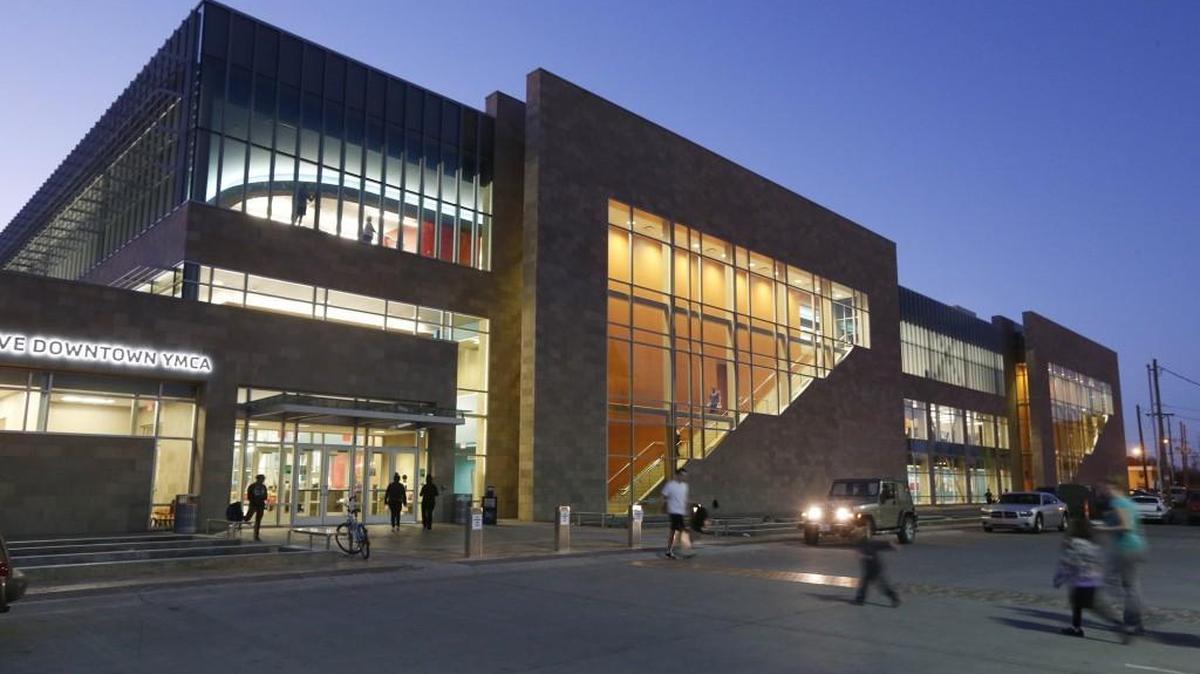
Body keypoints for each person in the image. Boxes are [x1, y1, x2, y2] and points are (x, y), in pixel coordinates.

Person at [1097, 478, 1148, 637]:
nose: (1103, 491)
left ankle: (1132, 623)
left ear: (1114, 488)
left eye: (1105, 488)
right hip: (1134, 547)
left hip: (1127, 548)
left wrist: (1104, 529)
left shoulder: (1118, 503)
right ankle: (1134, 622)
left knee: (1125, 586)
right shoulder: (1127, 502)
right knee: (1131, 586)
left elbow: (1127, 526)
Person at [1053, 518, 1120, 638]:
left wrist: (1059, 579)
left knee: (1081, 605)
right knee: (1090, 606)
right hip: (1093, 580)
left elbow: (1067, 563)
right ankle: (1078, 627)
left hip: (1079, 581)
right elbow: (1099, 561)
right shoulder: (1092, 544)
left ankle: (1118, 625)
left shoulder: (1072, 544)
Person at [853, 527, 900, 607]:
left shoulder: (867, 543)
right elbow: (882, 544)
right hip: (871, 568)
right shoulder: (861, 543)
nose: (856, 536)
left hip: (875, 568)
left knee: (881, 586)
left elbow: (879, 546)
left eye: (857, 534)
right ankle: (860, 599)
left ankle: (894, 598)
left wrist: (865, 556)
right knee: (865, 584)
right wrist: (891, 546)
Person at [662, 468, 692, 559]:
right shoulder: (670, 485)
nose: (683, 478)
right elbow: (664, 496)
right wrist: (663, 506)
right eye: (682, 475)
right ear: (677, 475)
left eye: (685, 476)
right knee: (683, 530)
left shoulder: (685, 486)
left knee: (673, 531)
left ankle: (669, 550)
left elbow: (684, 499)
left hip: (681, 511)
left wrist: (688, 507)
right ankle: (686, 550)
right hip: (674, 511)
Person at [244, 474, 269, 541]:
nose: (263, 480)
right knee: (247, 517)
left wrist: (262, 499)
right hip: (253, 504)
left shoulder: (263, 487)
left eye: (263, 479)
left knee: (258, 521)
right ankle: (239, 522)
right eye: (262, 479)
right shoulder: (252, 486)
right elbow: (249, 496)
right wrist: (254, 500)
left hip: (260, 505)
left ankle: (256, 535)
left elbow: (265, 496)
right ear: (258, 479)